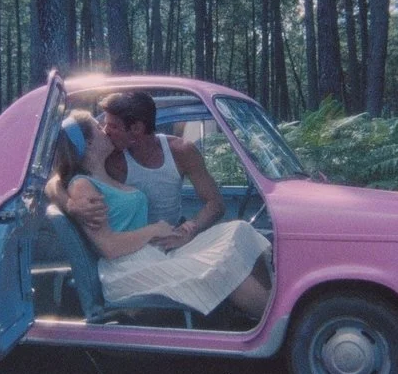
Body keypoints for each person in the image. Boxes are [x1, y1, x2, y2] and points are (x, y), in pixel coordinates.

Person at [53, 111, 271, 318]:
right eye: (99, 128)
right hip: (125, 271)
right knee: (222, 270)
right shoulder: (82, 186)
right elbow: (108, 247)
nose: (106, 131)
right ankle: (275, 323)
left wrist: (184, 229)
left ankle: (265, 311)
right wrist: (154, 230)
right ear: (89, 143)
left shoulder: (107, 169)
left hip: (151, 254)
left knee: (240, 230)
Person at [46, 91, 225, 251]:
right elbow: (56, 179)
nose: (106, 131)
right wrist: (70, 204)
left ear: (137, 128)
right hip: (132, 250)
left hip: (171, 240)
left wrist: (190, 229)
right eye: (103, 126)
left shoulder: (181, 151)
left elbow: (215, 203)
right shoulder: (108, 156)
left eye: (113, 126)